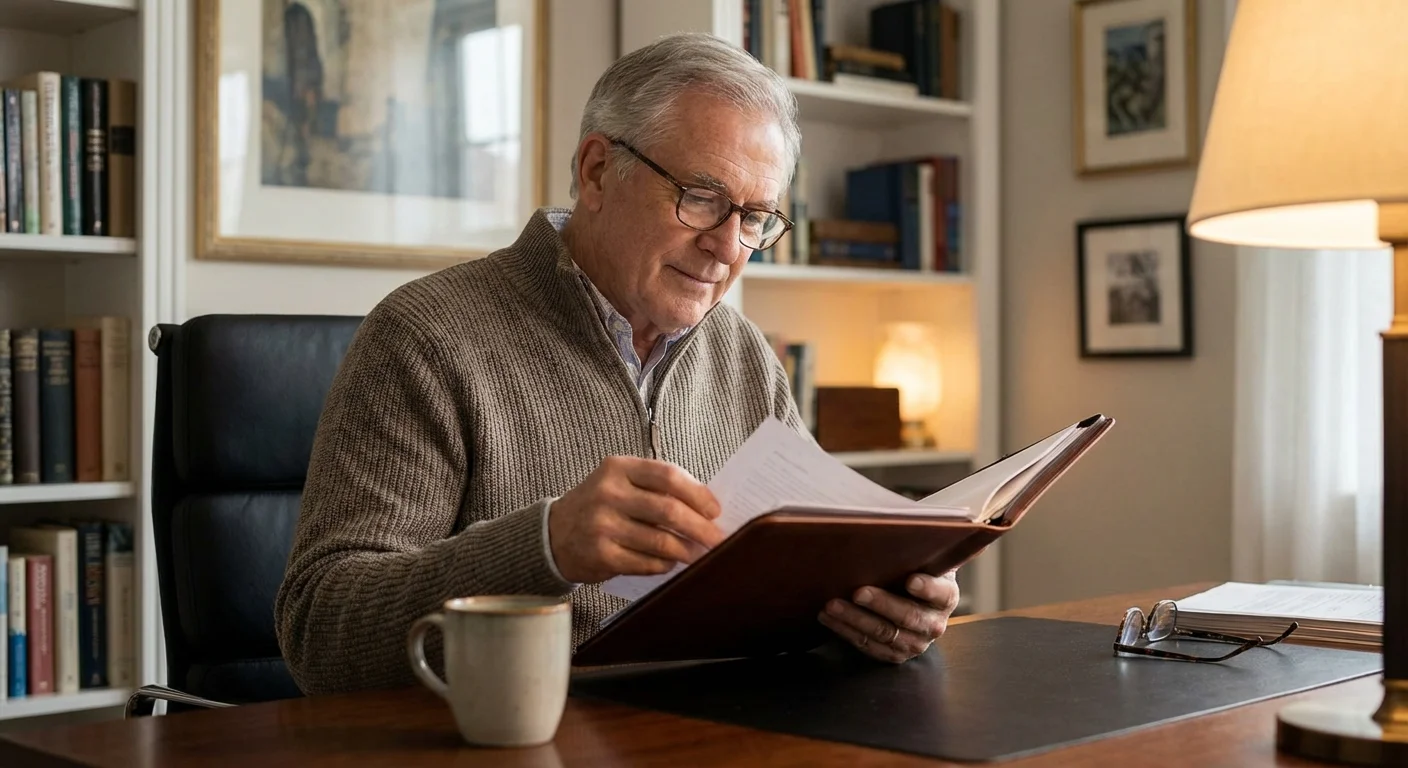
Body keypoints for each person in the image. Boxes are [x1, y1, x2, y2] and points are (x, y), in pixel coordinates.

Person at [273, 32, 960, 695]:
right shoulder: (425, 337)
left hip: (723, 736)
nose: (727, 246)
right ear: (597, 171)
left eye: (753, 217)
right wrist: (544, 547)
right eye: (701, 197)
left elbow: (805, 576)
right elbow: (321, 636)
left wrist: (886, 603)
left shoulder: (744, 354)